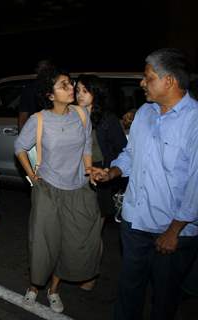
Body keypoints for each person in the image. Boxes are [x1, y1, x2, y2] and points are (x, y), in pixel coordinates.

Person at [91, 48, 198, 320]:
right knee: (128, 292)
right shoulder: (145, 113)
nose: (141, 83)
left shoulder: (193, 121)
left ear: (169, 81)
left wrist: (175, 230)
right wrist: (113, 172)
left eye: (147, 77)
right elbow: (131, 154)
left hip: (171, 229)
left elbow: (196, 183)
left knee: (164, 299)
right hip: (135, 222)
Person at [14, 66, 102, 313]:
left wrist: (89, 170)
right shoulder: (39, 120)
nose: (71, 87)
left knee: (73, 243)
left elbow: (86, 147)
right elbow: (19, 147)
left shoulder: (82, 115)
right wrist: (32, 175)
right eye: (64, 85)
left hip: (77, 189)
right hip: (48, 189)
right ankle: (34, 286)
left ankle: (54, 290)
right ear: (50, 95)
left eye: (70, 83)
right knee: (44, 243)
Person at [75, 75, 128, 290]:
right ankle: (76, 267)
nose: (79, 95)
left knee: (93, 230)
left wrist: (108, 171)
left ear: (96, 94)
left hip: (98, 177)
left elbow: (123, 150)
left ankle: (90, 274)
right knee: (77, 228)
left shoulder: (106, 119)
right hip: (75, 175)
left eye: (84, 91)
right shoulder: (72, 115)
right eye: (77, 90)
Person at [17, 60, 54, 130]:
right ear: (37, 70)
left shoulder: (56, 87)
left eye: (46, 68)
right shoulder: (29, 89)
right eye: (42, 68)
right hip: (36, 131)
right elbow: (23, 116)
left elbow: (23, 116)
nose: (44, 71)